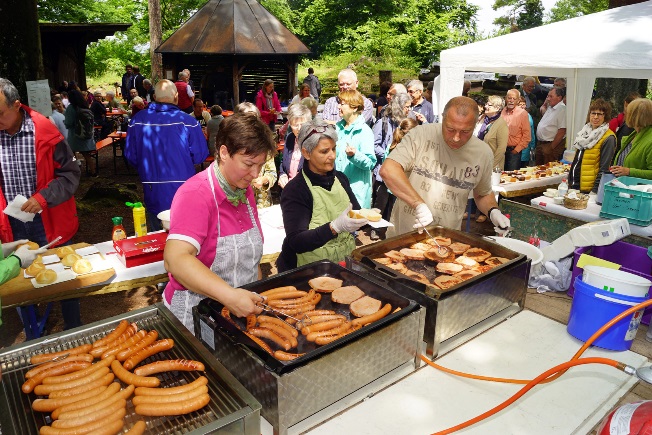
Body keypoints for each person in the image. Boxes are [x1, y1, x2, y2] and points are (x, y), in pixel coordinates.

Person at [162, 114, 276, 333]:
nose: (255, 175)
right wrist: (230, 296)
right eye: (249, 164)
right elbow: (175, 260)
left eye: (260, 166)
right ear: (224, 153)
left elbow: (249, 259)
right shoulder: (195, 194)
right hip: (196, 316)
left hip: (237, 314)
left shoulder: (244, 190)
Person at [0, 77, 82, 330]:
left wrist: (44, 197)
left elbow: (70, 175)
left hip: (49, 219)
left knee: (65, 273)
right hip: (10, 222)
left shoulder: (44, 129)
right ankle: (34, 325)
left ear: (16, 105)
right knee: (19, 275)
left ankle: (73, 326)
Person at [379, 96, 510, 236]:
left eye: (465, 131)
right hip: (403, 236)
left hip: (446, 240)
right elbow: (389, 170)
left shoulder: (483, 153)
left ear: (476, 123)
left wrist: (493, 212)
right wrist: (418, 205)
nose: (456, 137)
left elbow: (482, 193)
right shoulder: (421, 135)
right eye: (450, 129)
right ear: (443, 117)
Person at [277, 120, 367, 272]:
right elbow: (297, 241)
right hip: (309, 269)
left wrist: (368, 218)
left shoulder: (341, 179)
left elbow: (355, 211)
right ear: (306, 153)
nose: (332, 156)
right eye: (324, 151)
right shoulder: (296, 190)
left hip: (344, 262)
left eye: (334, 149)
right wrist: (334, 227)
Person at [125, 79, 208, 230]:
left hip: (153, 188)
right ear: (176, 96)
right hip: (184, 190)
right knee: (187, 235)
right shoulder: (188, 121)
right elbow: (200, 156)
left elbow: (131, 156)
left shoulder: (138, 120)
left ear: (155, 97)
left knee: (159, 237)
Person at [370, 93, 413, 240]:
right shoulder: (384, 122)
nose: (409, 109)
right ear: (399, 107)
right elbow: (374, 146)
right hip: (384, 172)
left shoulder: (407, 121)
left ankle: (388, 230)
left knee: (394, 204)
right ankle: (375, 229)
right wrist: (390, 156)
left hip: (400, 172)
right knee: (381, 202)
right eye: (407, 106)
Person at [335, 90, 375, 209]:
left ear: (354, 108)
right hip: (337, 190)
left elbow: (370, 163)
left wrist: (354, 155)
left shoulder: (364, 131)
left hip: (356, 193)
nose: (338, 106)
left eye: (342, 103)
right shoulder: (338, 128)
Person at [567, 99, 616, 194]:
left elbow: (604, 168)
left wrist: (594, 191)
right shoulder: (584, 133)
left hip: (589, 190)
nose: (595, 117)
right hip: (575, 185)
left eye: (600, 114)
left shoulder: (608, 137)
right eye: (593, 113)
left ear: (605, 117)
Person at [610, 98, 652, 180]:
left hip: (637, 190)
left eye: (628, 112)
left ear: (636, 116)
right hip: (623, 187)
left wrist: (629, 171)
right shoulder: (635, 134)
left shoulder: (649, 140)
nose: (625, 114)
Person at [279, 104, 312, 189]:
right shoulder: (290, 138)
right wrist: (282, 175)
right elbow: (283, 162)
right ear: (290, 124)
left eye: (302, 124)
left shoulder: (314, 143)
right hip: (289, 192)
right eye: (295, 125)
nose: (299, 128)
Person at [64, 89, 97, 176]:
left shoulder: (71, 108)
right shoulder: (84, 105)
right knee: (86, 154)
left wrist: (64, 122)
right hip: (86, 135)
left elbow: (68, 122)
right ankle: (93, 171)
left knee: (71, 153)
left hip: (75, 135)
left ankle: (75, 169)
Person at [501, 89, 531, 171]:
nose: (511, 101)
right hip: (501, 149)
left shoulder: (522, 114)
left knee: (511, 177)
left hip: (513, 151)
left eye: (514, 99)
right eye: (509, 98)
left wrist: (516, 150)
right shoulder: (502, 111)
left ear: (518, 101)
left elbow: (527, 136)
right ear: (506, 98)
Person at [535, 86, 566, 165]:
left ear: (559, 98)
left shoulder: (562, 110)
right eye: (548, 96)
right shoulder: (551, 107)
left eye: (551, 96)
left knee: (548, 171)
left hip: (550, 145)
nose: (548, 99)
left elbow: (562, 131)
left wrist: (551, 147)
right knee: (538, 170)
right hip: (541, 143)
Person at [518, 96, 537, 167]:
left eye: (524, 104)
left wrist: (532, 147)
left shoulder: (528, 116)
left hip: (525, 149)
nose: (522, 106)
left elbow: (531, 133)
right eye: (520, 105)